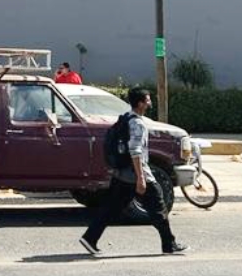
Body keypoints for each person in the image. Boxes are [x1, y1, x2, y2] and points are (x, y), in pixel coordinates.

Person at [80, 88, 187, 256]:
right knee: (159, 207)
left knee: (111, 208)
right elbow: (135, 151)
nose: (150, 102)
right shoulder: (137, 123)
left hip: (122, 174)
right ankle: (169, 244)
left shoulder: (126, 118)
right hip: (136, 175)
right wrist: (141, 178)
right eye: (148, 100)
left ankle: (90, 238)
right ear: (140, 103)